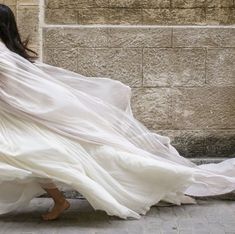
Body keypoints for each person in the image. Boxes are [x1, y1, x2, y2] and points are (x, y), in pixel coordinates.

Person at [0, 3, 234, 221]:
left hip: (17, 118)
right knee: (37, 157)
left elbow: (14, 90)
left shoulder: (3, 55)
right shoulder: (9, 53)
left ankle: (63, 200)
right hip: (15, 117)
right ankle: (60, 201)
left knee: (38, 156)